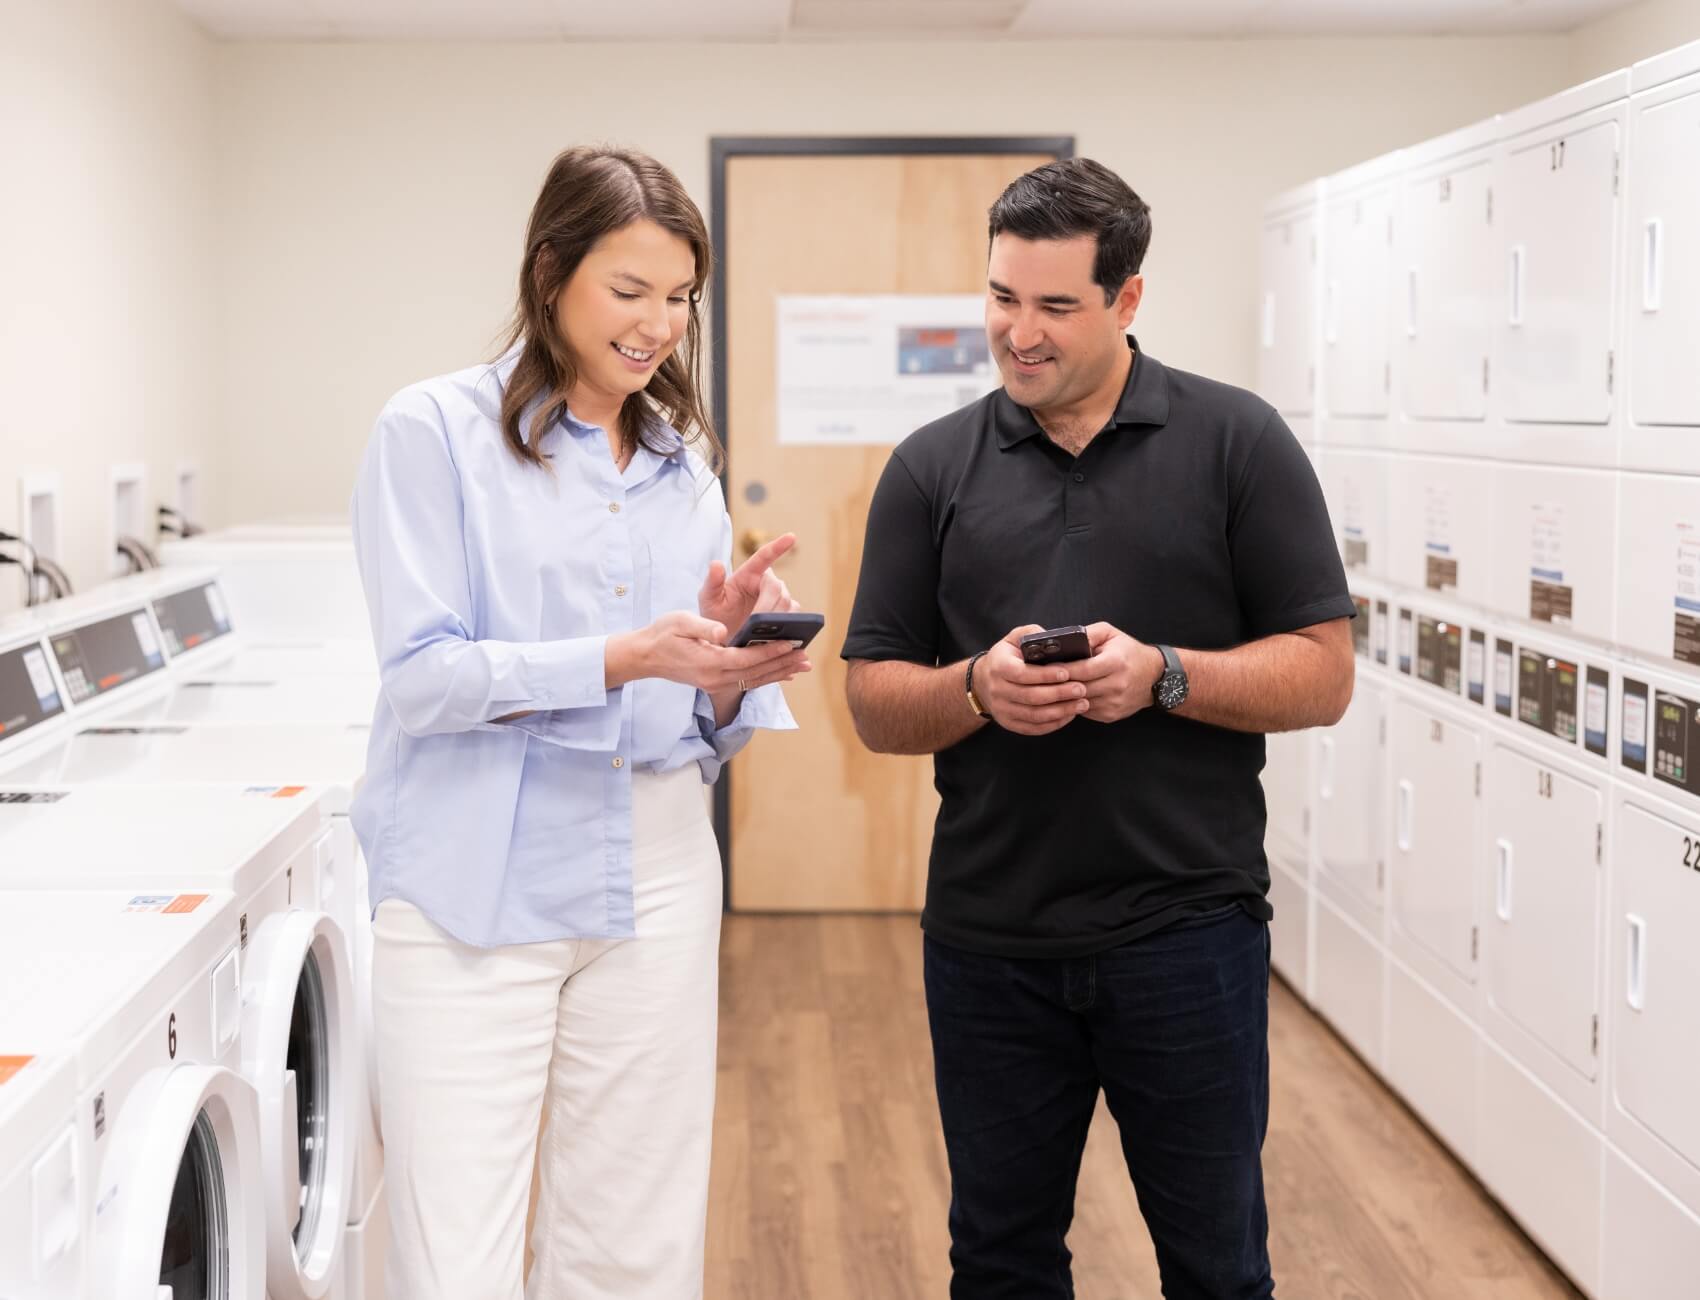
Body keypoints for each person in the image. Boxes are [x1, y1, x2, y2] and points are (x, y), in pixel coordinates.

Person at [841, 157, 1355, 1299]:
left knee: (1217, 1269)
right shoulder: (929, 469)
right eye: (1000, 297)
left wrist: (1164, 676)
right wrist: (976, 690)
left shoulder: (1238, 442)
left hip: (1187, 934)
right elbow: (873, 700)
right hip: (989, 943)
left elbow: (1323, 676)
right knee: (1000, 1261)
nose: (1017, 334)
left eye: (1055, 306)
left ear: (1127, 300)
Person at [350, 144, 810, 1300]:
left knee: (632, 1245)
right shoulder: (432, 430)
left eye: (680, 297)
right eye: (630, 290)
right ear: (550, 271)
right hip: (472, 877)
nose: (659, 325)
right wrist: (622, 656)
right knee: (455, 1257)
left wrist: (727, 667)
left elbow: (690, 711)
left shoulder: (679, 462)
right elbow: (423, 679)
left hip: (654, 870)